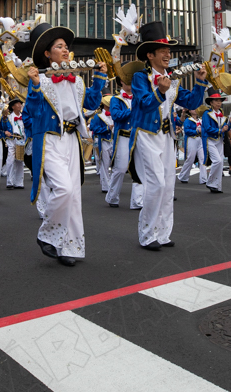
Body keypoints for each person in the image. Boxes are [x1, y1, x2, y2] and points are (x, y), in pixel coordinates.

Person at [24, 22, 107, 265]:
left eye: (65, 46)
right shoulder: (38, 78)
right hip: (49, 139)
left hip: (71, 140)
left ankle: (70, 248)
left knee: (74, 195)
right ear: (47, 54)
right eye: (59, 46)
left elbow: (90, 105)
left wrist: (100, 77)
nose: (64, 50)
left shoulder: (77, 80)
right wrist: (35, 86)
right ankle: (48, 235)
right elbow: (32, 110)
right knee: (64, 189)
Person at [129, 21, 208, 249]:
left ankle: (162, 234)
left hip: (167, 136)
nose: (167, 54)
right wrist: (160, 91)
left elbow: (192, 103)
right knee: (155, 185)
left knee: (168, 186)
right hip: (146, 134)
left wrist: (201, 82)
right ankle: (147, 234)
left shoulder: (172, 79)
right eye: (163, 50)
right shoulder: (140, 78)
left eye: (168, 50)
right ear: (150, 55)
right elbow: (144, 105)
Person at [105, 78, 144, 209]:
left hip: (138, 136)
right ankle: (112, 196)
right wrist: (133, 110)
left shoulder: (139, 97)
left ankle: (137, 201)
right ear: (121, 81)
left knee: (139, 168)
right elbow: (115, 116)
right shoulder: (116, 99)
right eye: (128, 80)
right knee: (120, 169)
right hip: (123, 136)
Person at [202, 92, 229, 193]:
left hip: (219, 139)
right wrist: (219, 130)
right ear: (211, 103)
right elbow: (207, 128)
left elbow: (224, 125)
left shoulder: (221, 112)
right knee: (217, 160)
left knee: (220, 162)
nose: (219, 103)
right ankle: (210, 182)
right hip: (209, 139)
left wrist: (227, 125)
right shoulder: (206, 113)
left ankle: (216, 185)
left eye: (220, 101)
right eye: (216, 101)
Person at [88, 98, 114, 193]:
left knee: (116, 165)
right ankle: (105, 186)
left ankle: (112, 184)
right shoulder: (98, 116)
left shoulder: (114, 114)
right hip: (103, 141)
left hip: (115, 141)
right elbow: (93, 128)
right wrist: (107, 128)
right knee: (105, 164)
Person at [176, 108, 207, 184]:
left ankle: (204, 179)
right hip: (191, 139)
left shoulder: (200, 120)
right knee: (190, 158)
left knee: (203, 158)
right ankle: (183, 176)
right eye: (193, 109)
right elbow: (186, 131)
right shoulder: (188, 120)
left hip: (200, 139)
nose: (195, 110)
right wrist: (196, 131)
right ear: (190, 111)